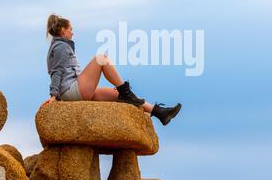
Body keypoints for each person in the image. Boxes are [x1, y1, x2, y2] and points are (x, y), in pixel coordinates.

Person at [40, 14, 181, 126]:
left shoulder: (61, 46)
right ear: (63, 30)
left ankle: (160, 113)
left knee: (118, 95)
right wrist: (53, 95)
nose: (72, 32)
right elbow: (57, 72)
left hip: (74, 89)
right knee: (101, 59)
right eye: (70, 29)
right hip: (71, 91)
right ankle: (126, 92)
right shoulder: (61, 47)